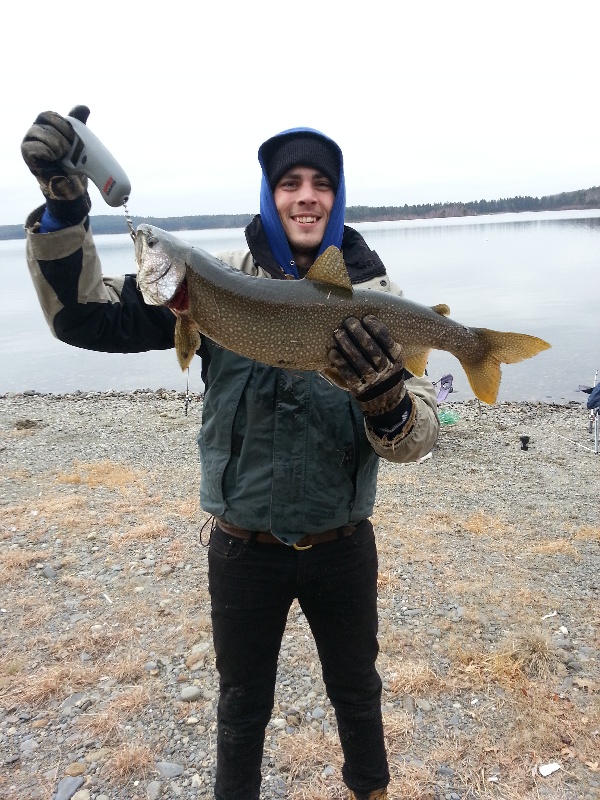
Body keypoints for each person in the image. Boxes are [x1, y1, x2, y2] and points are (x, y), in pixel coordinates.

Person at [21, 107, 440, 800]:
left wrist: (387, 401)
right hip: (242, 549)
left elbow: (419, 439)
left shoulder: (379, 302)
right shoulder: (203, 286)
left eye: (321, 183)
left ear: (337, 198)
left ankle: (373, 791)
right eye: (289, 183)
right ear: (269, 197)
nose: (306, 195)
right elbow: (81, 317)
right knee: (241, 706)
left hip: (341, 545)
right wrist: (65, 210)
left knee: (359, 694)